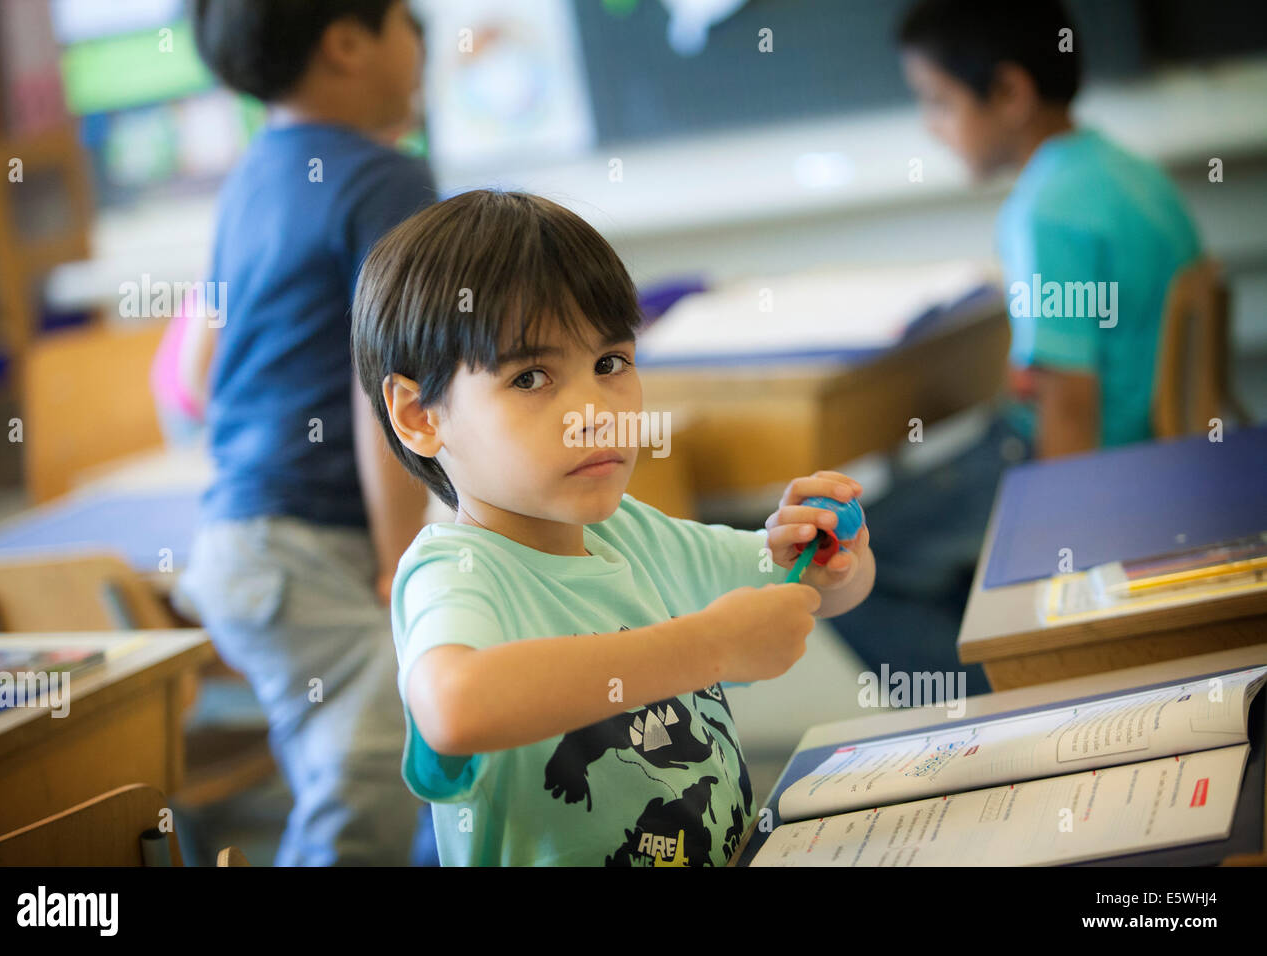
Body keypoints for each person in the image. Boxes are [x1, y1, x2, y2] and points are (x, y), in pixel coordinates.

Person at [350, 189, 877, 865]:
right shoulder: (454, 574)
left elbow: (805, 597)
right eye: (532, 376)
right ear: (422, 414)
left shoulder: (635, 535)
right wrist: (708, 647)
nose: (595, 411)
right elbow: (454, 707)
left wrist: (829, 555)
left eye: (609, 364)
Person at [831, 0, 1203, 693]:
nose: (931, 128)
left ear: (1008, 92)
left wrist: (1065, 565)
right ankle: (1005, 680)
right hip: (1159, 454)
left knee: (844, 565)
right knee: (912, 525)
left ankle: (1010, 712)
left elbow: (1068, 406)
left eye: (938, 103)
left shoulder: (1046, 210)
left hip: (1087, 465)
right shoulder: (1120, 169)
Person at [174, 0, 437, 865]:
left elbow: (193, 378)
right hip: (307, 548)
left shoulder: (252, 176)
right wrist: (402, 558)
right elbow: (384, 390)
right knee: (372, 778)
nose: (423, 40)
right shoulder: (385, 178)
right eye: (409, 18)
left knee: (404, 766)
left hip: (241, 542)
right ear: (348, 42)